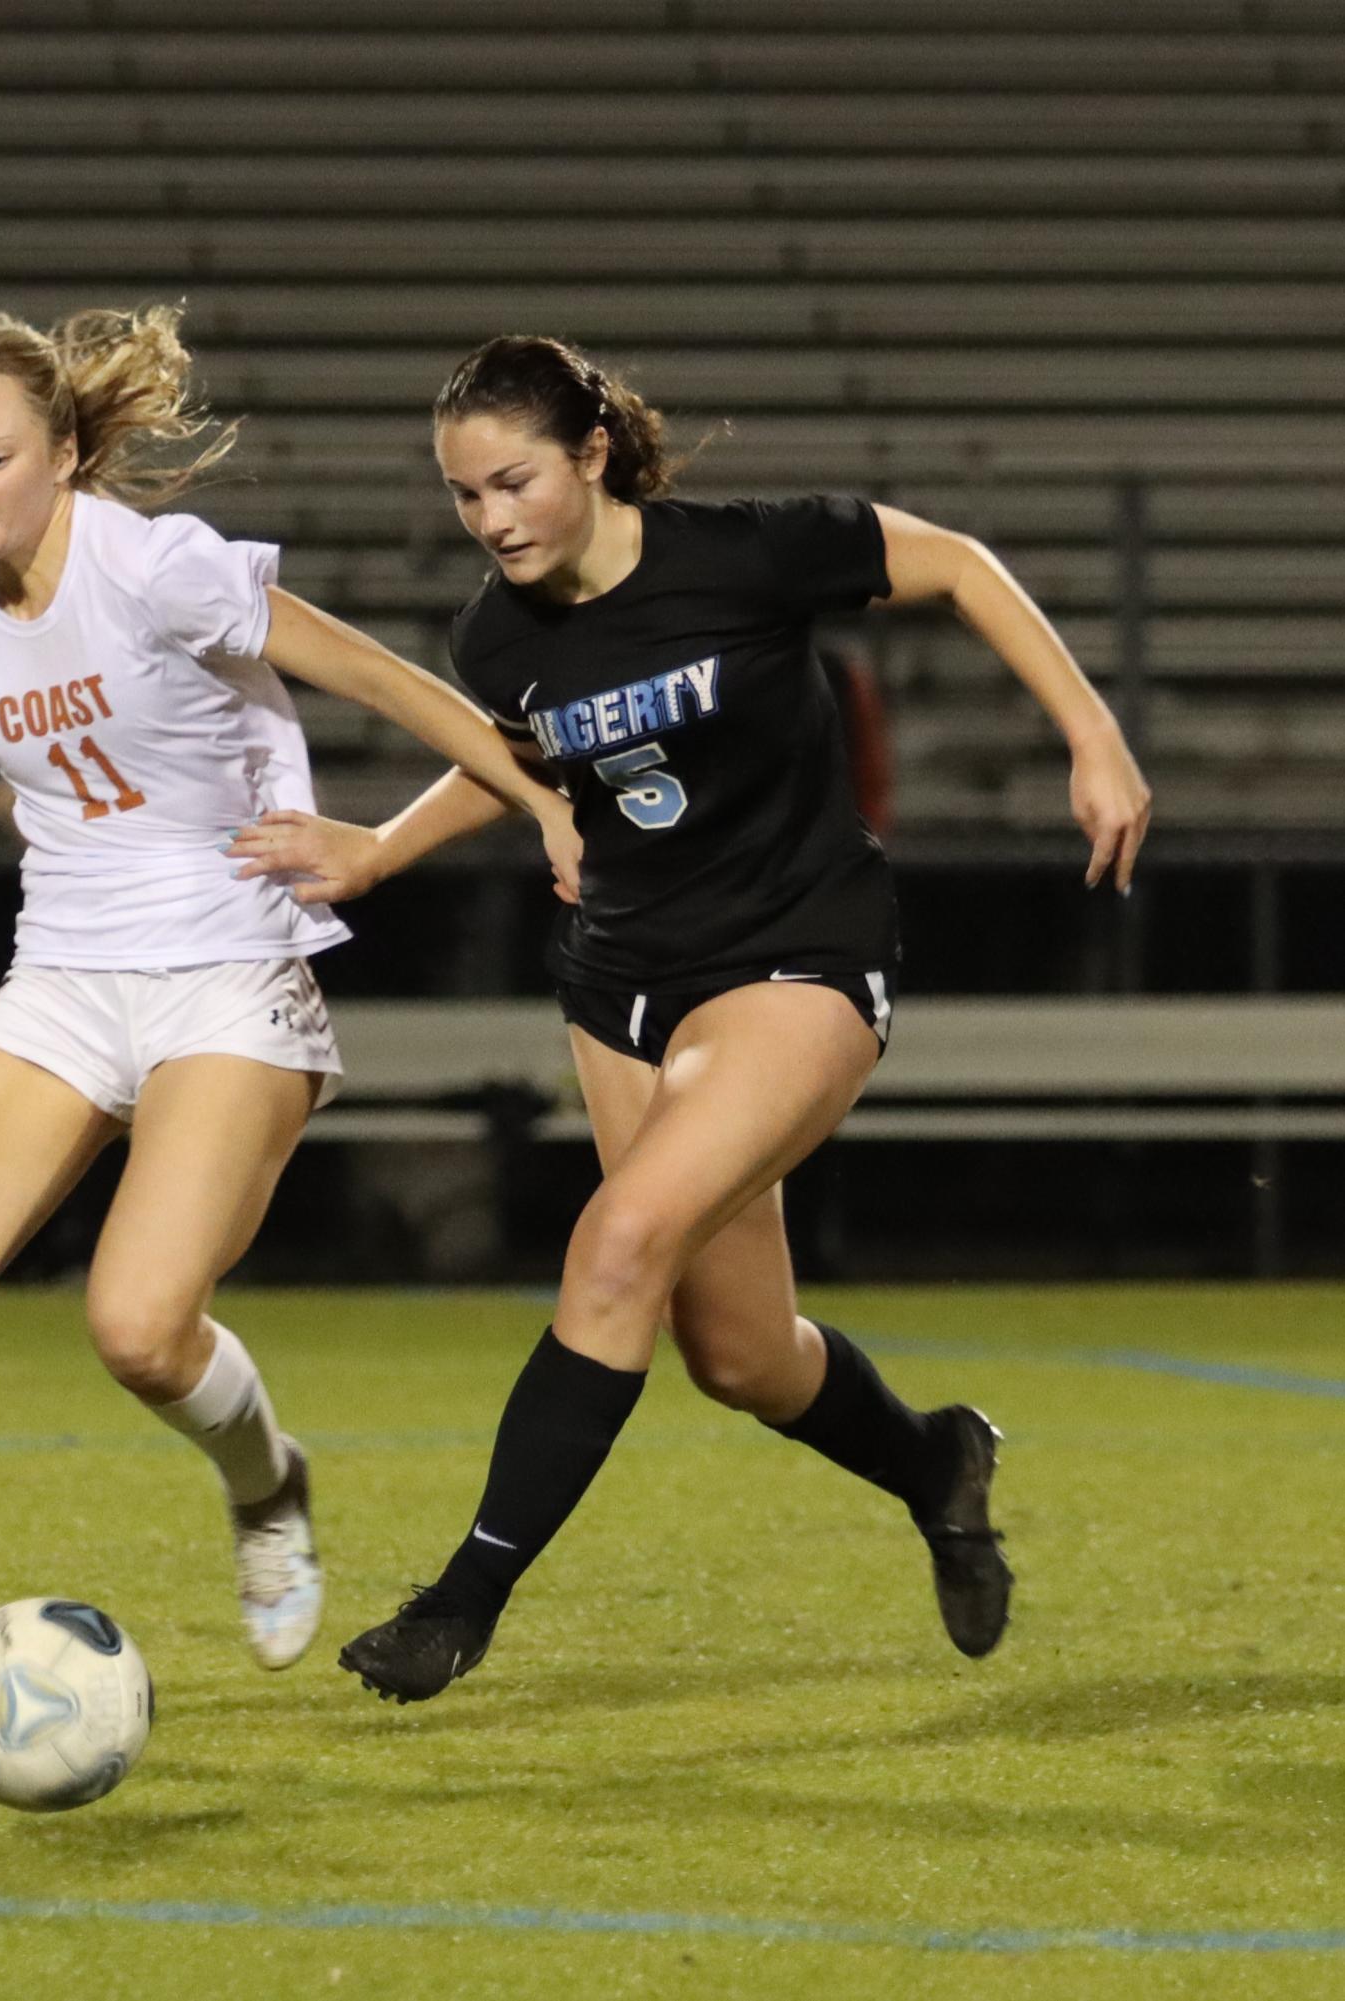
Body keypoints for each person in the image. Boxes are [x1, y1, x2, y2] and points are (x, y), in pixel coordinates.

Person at [0, 307, 579, 1758]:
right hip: (63, 980)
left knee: (136, 1327)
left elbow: (392, 682)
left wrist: (539, 801)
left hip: (229, 970)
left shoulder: (157, 564)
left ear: (59, 455)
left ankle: (265, 1483)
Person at [226, 335, 1152, 1703]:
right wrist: (378, 847)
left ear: (591, 455)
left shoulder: (745, 554)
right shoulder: (496, 631)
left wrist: (1091, 733)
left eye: (513, 482)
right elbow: (522, 755)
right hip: (619, 984)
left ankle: (459, 1599)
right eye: (464, 495)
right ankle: (935, 1458)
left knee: (618, 1240)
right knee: (736, 1355)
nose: (490, 520)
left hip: (796, 961)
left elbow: (954, 560)